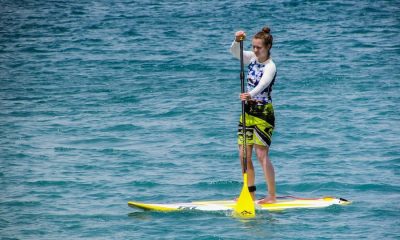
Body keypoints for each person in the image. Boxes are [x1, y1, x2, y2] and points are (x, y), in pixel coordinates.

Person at [230, 26, 277, 204]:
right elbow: (235, 52)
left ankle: (271, 195)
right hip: (247, 112)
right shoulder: (251, 58)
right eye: (254, 47)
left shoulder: (270, 66)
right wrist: (236, 40)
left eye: (259, 47)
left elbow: (263, 85)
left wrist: (250, 94)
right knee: (244, 154)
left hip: (263, 113)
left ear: (268, 47)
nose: (255, 50)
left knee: (261, 155)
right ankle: (249, 194)